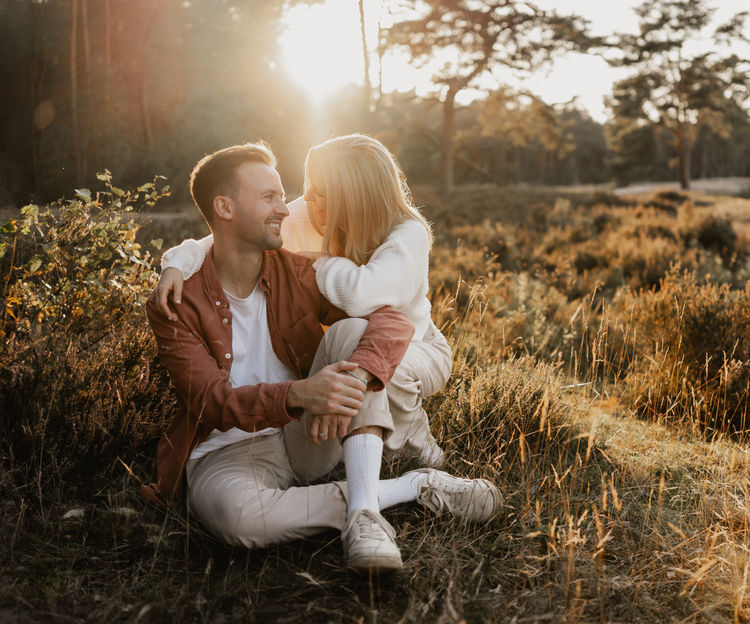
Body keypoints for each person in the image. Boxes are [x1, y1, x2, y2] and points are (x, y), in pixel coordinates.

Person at [143, 142, 502, 571]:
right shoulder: (178, 300)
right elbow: (210, 403)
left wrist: (356, 377)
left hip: (305, 438)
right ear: (224, 207)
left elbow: (392, 320)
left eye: (283, 195)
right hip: (226, 452)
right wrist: (299, 395)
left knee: (353, 330)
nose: (286, 208)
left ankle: (364, 518)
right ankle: (408, 488)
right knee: (234, 517)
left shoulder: (303, 271)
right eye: (270, 197)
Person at [156, 134, 449, 468]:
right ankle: (354, 457)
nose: (307, 196)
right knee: (353, 360)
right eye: (309, 186)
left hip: (415, 344)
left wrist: (322, 263)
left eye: (320, 189)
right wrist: (177, 262)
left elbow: (362, 296)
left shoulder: (407, 235)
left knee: (379, 370)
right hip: (354, 340)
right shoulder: (311, 211)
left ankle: (417, 451)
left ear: (352, 195)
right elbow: (225, 231)